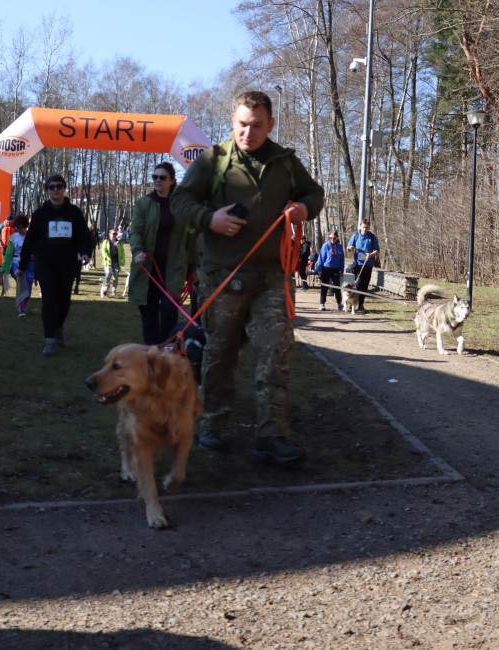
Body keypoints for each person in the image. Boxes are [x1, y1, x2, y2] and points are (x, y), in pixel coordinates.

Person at [171, 90, 324, 464]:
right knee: (220, 354)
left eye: (257, 125)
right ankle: (214, 426)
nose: (248, 132)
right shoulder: (213, 161)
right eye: (241, 124)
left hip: (272, 276)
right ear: (232, 122)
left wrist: (302, 208)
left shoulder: (286, 163)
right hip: (223, 277)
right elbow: (180, 202)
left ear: (270, 124)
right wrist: (211, 219)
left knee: (276, 352)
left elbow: (314, 194)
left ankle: (271, 435)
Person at [17, 174, 92, 356]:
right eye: (52, 187)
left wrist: (85, 252)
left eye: (59, 186)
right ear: (48, 190)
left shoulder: (74, 213)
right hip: (45, 264)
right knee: (49, 299)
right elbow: (30, 240)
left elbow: (84, 235)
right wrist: (23, 264)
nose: (56, 190)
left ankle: (58, 327)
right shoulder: (40, 214)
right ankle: (49, 340)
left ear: (64, 189)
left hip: (68, 263)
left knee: (64, 300)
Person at [128, 161, 192, 345]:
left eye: (162, 177)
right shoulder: (144, 203)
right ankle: (151, 351)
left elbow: (191, 237)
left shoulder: (181, 205)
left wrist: (193, 265)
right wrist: (138, 251)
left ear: (172, 180)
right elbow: (136, 232)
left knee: (169, 312)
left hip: (174, 268)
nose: (157, 180)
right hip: (147, 268)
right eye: (154, 177)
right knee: (148, 316)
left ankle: (166, 348)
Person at [346, 218, 380, 314]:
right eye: (363, 227)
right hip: (357, 265)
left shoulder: (372, 238)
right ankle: (353, 304)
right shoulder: (356, 236)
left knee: (364, 285)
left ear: (369, 227)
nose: (365, 229)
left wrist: (370, 254)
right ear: (360, 227)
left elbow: (377, 251)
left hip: (368, 265)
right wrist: (350, 248)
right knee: (357, 285)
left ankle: (361, 304)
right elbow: (349, 247)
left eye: (367, 227)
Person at [2, 214, 32, 317]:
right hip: (15, 263)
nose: (19, 230)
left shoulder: (30, 237)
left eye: (21, 227)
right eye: (17, 227)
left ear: (25, 226)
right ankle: (22, 309)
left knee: (28, 288)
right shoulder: (13, 238)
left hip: (28, 264)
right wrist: (4, 266)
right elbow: (8, 254)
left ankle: (22, 303)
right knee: (21, 282)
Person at [315, 230, 345, 311]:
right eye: (330, 238)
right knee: (324, 286)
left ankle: (339, 303)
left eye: (334, 238)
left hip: (336, 269)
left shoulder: (339, 246)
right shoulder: (325, 245)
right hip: (326, 268)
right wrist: (319, 269)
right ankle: (322, 303)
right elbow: (321, 258)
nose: (332, 240)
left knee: (336, 287)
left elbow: (342, 259)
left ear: (337, 238)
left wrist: (342, 270)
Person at [100, 229, 125, 298]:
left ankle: (114, 290)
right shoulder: (106, 241)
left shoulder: (119, 243)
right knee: (108, 273)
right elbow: (103, 250)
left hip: (116, 262)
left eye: (115, 234)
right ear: (109, 234)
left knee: (115, 277)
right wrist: (105, 256)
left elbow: (122, 252)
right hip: (108, 261)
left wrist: (123, 261)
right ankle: (106, 288)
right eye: (113, 234)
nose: (114, 235)